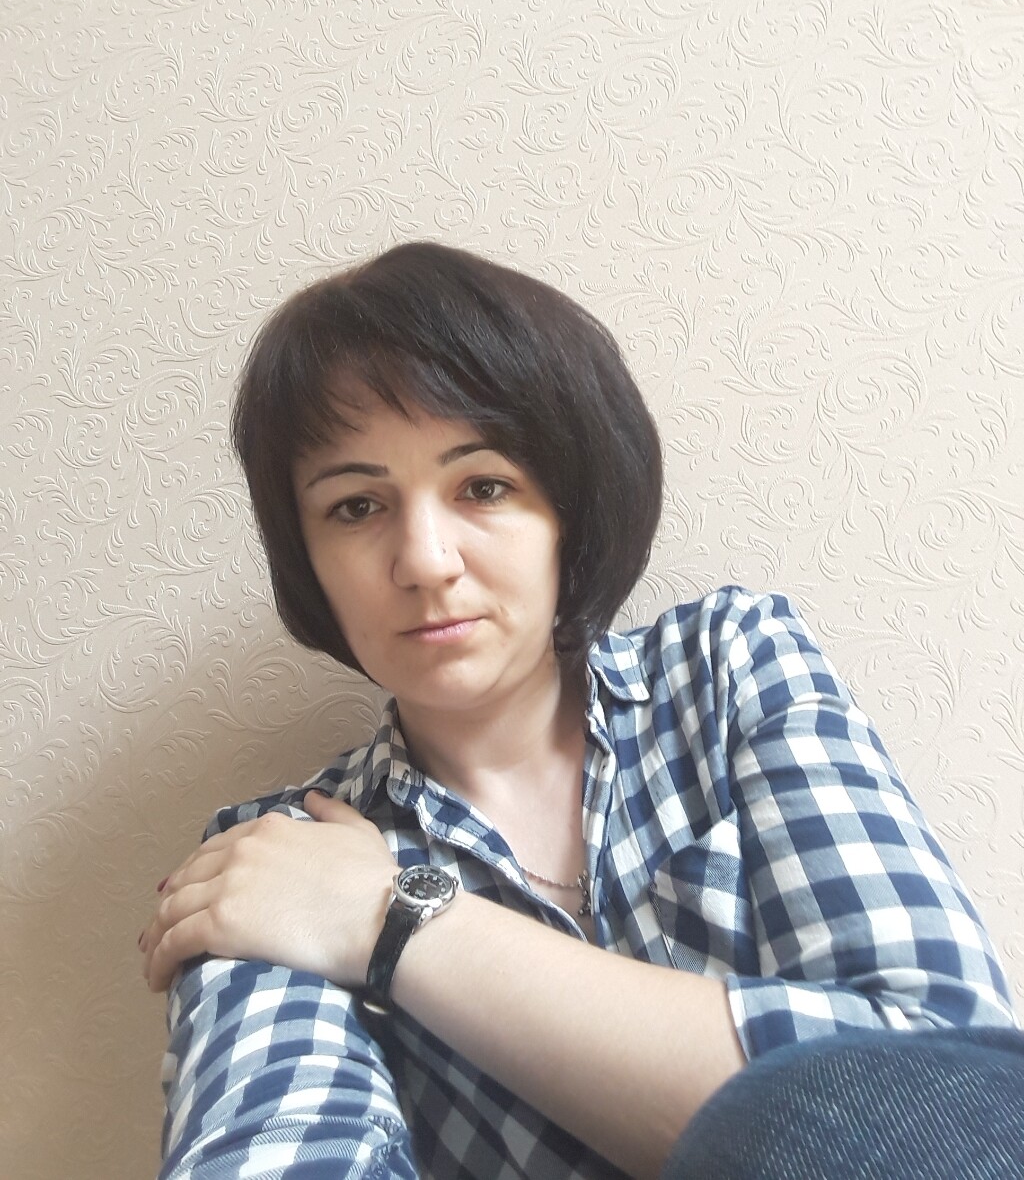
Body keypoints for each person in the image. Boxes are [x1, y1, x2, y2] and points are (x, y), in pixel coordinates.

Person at [140, 242, 1022, 1180]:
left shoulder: (726, 669)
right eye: (357, 507)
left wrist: (389, 919)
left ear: (569, 507)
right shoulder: (280, 852)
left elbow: (949, 1090)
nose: (425, 560)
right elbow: (274, 1150)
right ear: (307, 556)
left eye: (484, 486)